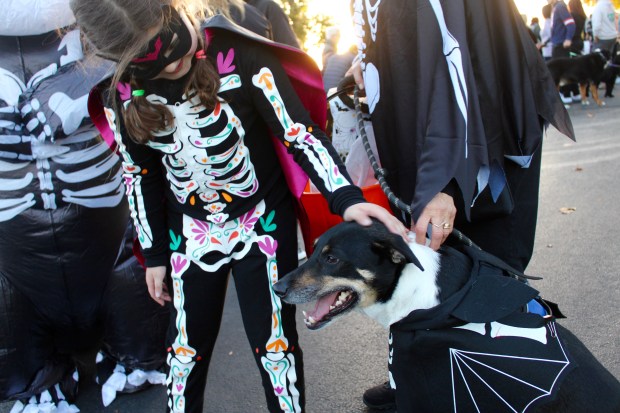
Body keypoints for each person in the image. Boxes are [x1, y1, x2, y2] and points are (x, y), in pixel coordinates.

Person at [70, 1, 406, 412]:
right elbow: (140, 175)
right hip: (188, 236)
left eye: (179, 46)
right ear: (124, 64)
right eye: (156, 65)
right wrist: (155, 253)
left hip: (261, 224)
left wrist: (346, 198)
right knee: (184, 354)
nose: (175, 66)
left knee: (275, 347)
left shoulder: (239, 53)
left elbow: (297, 133)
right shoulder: (121, 95)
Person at [348, 0, 574, 410]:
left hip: (480, 130)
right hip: (428, 137)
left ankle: (511, 387)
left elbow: (457, 67)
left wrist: (444, 183)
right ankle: (419, 374)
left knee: (488, 266)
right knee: (424, 262)